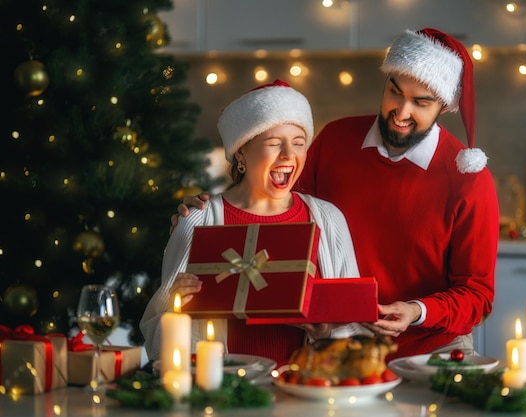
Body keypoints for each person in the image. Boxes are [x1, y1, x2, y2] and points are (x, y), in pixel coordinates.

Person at [173, 28, 499, 361]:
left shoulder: (468, 179)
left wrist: (416, 311)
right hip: (343, 348)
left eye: (420, 102)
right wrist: (206, 217)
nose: (401, 111)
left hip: (433, 349)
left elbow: (477, 295)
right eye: (394, 92)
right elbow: (276, 214)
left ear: (444, 106)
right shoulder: (335, 140)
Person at [141, 80, 370, 366]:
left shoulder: (330, 220)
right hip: (228, 397)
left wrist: (326, 335)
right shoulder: (197, 220)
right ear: (241, 153)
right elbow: (158, 334)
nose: (289, 154)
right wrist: (175, 308)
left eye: (298, 143)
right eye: (273, 143)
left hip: (305, 395)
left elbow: (357, 330)